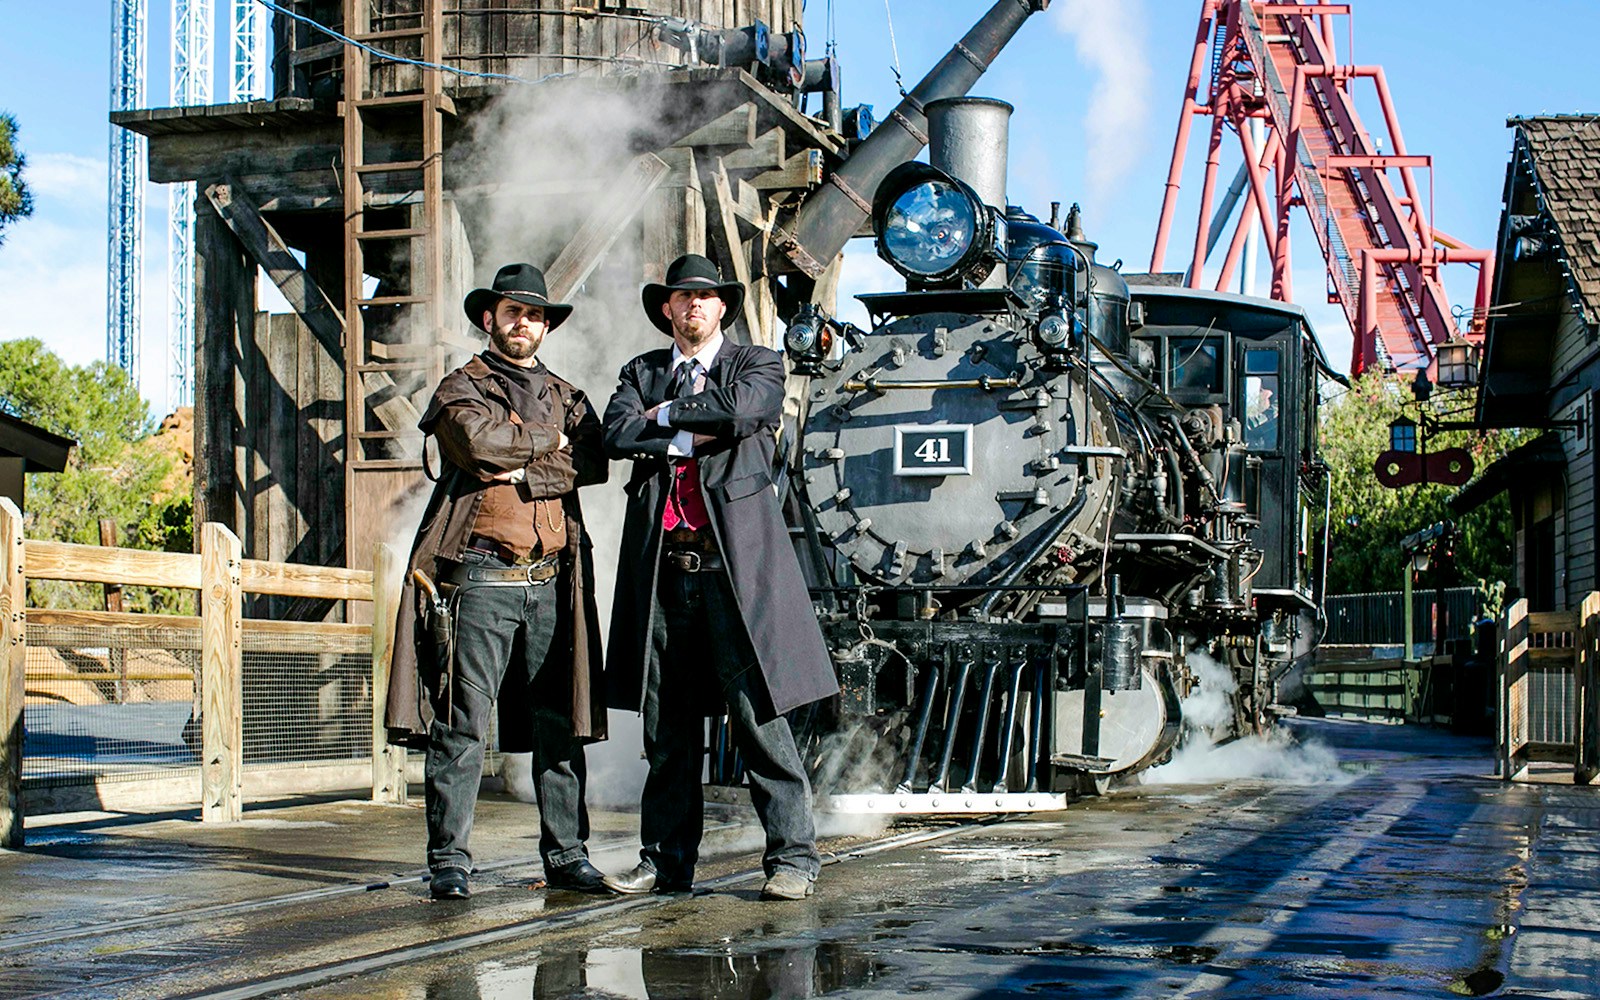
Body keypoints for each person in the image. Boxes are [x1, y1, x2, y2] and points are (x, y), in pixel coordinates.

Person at [600, 253, 840, 901]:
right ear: (667, 309)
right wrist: (688, 427)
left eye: (706, 297)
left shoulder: (757, 362)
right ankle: (664, 862)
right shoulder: (641, 371)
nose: (694, 306)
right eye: (682, 298)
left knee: (758, 716)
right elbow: (616, 432)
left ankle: (793, 860)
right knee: (666, 728)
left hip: (735, 573)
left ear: (722, 307)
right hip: (664, 572)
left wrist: (666, 418)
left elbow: (742, 412)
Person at [385, 262, 610, 900]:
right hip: (480, 579)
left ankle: (567, 856)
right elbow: (478, 445)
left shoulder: (569, 393)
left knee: (559, 725)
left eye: (535, 315)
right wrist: (549, 439)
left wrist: (532, 470)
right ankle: (449, 861)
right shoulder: (463, 386)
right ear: (490, 318)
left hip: (553, 580)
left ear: (545, 326)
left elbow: (593, 457)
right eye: (513, 311)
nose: (524, 323)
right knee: (462, 725)